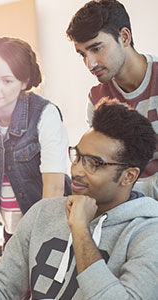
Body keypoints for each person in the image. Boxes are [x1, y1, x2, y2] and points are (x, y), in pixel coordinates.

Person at [0, 99, 158, 299]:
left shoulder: (148, 234)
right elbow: (0, 286)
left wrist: (81, 231)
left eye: (94, 163)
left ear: (129, 176)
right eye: (78, 156)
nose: (76, 170)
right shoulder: (43, 212)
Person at [0, 37, 70, 280]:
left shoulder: (45, 114)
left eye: (7, 81)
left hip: (52, 230)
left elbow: (54, 190)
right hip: (10, 233)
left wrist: (37, 249)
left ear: (24, 82)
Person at [66, 0, 158, 199]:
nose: (90, 63)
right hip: (128, 207)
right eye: (82, 54)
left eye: (96, 49)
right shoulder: (97, 100)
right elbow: (101, 167)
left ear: (124, 37)